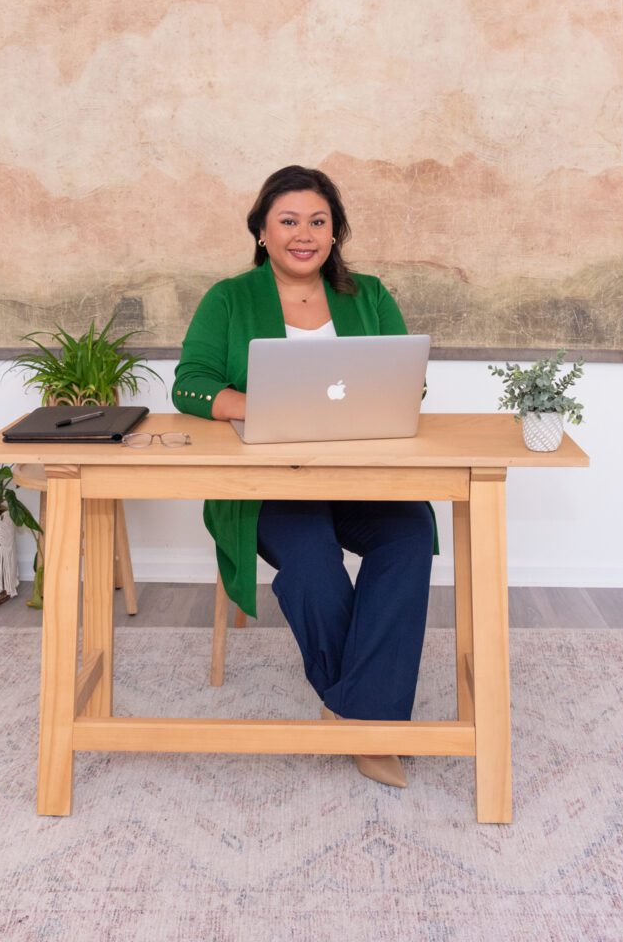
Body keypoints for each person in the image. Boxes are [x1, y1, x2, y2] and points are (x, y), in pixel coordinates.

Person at [173, 165, 437, 788]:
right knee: (314, 562)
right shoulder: (230, 298)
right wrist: (259, 401)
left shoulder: (368, 294)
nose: (303, 233)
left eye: (318, 221)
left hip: (362, 476)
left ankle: (350, 707)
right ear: (263, 232)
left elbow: (411, 378)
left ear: (334, 232)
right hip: (272, 486)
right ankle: (371, 719)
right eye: (288, 221)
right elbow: (191, 383)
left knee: (407, 540)